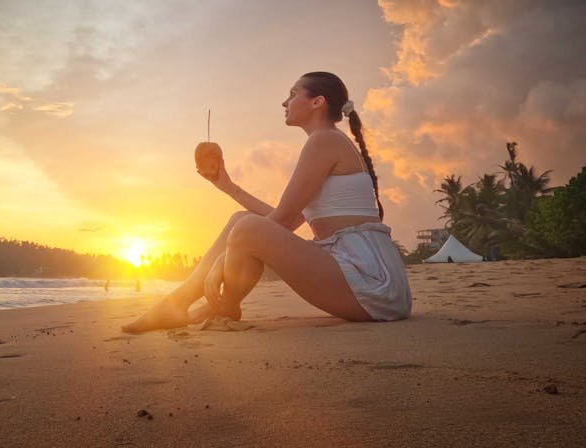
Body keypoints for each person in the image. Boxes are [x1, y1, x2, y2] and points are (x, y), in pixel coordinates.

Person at [122, 71, 411, 333]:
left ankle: (216, 306)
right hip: (361, 272)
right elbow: (286, 221)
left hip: (371, 281)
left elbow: (281, 220)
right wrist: (227, 186)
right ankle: (182, 305)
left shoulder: (324, 141)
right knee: (240, 221)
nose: (285, 103)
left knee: (246, 228)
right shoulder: (326, 142)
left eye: (293, 94)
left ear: (317, 102)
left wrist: (224, 259)